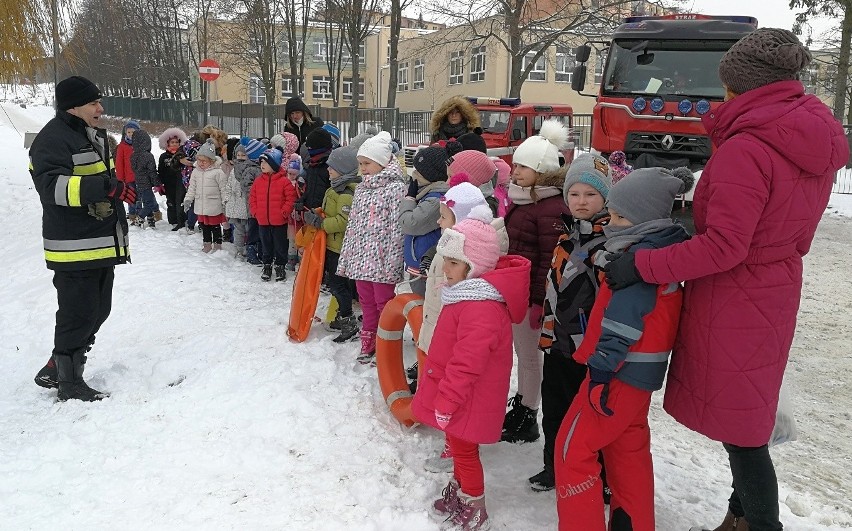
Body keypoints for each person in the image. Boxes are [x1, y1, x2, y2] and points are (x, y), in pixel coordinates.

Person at [601, 28, 849, 531]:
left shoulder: (748, 147)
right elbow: (770, 220)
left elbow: (725, 246)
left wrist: (641, 264)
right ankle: (738, 519)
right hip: (773, 285)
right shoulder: (803, 136)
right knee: (746, 414)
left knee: (744, 433)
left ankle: (760, 525)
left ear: (742, 86)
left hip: (737, 294)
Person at [555, 166, 693, 531]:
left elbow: (623, 322)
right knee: (626, 452)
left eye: (617, 216)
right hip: (638, 379)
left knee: (572, 452)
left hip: (616, 374)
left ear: (643, 218)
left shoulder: (639, 262)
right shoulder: (658, 250)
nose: (610, 223)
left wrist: (601, 370)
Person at [411, 213, 531, 531]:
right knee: (460, 447)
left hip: (468, 398)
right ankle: (460, 491)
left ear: (473, 266)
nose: (444, 268)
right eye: (444, 260)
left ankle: (474, 504)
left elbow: (467, 364)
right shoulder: (465, 297)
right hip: (460, 395)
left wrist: (447, 401)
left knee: (465, 452)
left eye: (452, 262)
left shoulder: (481, 308)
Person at [30, 76, 133, 401]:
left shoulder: (85, 135)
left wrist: (113, 189)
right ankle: (70, 383)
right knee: (78, 312)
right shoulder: (52, 139)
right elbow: (51, 187)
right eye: (93, 103)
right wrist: (104, 188)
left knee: (98, 309)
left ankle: (55, 368)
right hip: (74, 247)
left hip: (98, 241)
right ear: (73, 106)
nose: (100, 108)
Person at [530, 153, 613, 493]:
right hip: (558, 344)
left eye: (590, 195)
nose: (581, 202)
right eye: (574, 194)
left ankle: (603, 475)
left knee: (593, 415)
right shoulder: (565, 240)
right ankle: (554, 466)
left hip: (591, 350)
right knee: (555, 409)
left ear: (605, 198)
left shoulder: (611, 244)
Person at [416, 182, 510, 473]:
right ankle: (451, 443)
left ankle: (454, 450)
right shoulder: (453, 253)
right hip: (439, 321)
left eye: (444, 216)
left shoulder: (475, 282)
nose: (439, 221)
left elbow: (468, 361)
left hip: (451, 327)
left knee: (454, 398)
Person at [501, 119, 571, 444]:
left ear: (541, 171)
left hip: (532, 298)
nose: (514, 171)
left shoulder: (549, 207)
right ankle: (523, 404)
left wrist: (538, 302)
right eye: (515, 165)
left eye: (523, 167)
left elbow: (549, 260)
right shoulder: (525, 199)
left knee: (529, 357)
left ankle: (527, 414)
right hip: (516, 293)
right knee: (522, 354)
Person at [336, 131, 406, 365]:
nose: (363, 168)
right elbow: (352, 227)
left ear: (383, 162)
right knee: (365, 300)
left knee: (384, 303)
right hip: (361, 257)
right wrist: (347, 257)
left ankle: (387, 342)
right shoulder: (362, 190)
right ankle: (369, 339)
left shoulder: (396, 189)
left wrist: (394, 261)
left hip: (383, 259)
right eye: (360, 164)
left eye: (367, 163)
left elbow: (397, 229)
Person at [303, 146, 361, 342]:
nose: (328, 169)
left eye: (332, 167)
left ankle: (348, 321)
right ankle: (340, 317)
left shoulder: (345, 192)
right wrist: (318, 212)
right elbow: (332, 212)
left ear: (343, 169)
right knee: (337, 284)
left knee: (338, 286)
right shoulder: (334, 188)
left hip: (340, 248)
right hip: (332, 246)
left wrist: (321, 223)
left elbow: (344, 221)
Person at [399, 146, 451, 296]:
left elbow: (408, 223)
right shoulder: (426, 193)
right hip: (420, 265)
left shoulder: (434, 200)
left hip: (425, 267)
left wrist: (409, 199)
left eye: (418, 171)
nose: (414, 174)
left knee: (425, 308)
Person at [249, 148, 297, 281]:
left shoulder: (284, 181)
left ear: (274, 165)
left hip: (279, 221)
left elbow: (290, 198)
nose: (262, 165)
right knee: (266, 245)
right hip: (263, 220)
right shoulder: (258, 181)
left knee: (281, 245)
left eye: (266, 162)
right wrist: (255, 211)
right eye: (261, 162)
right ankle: (267, 265)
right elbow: (252, 198)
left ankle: (280, 266)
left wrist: (284, 211)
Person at [183, 140, 227, 252]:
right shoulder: (196, 172)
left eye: (204, 161)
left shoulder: (218, 172)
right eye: (199, 160)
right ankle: (207, 244)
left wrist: (225, 201)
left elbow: (223, 188)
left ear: (211, 161)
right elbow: (192, 187)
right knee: (204, 226)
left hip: (214, 204)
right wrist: (188, 199)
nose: (201, 163)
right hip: (201, 204)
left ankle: (217, 244)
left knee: (215, 226)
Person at [234, 137, 267, 264]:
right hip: (254, 205)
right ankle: (252, 252)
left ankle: (260, 251)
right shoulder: (251, 169)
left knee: (260, 230)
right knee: (254, 229)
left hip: (260, 205)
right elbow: (247, 187)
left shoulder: (257, 167)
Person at [129, 127, 161, 229]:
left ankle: (151, 219)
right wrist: (157, 183)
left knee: (148, 200)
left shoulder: (133, 155)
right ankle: (139, 219)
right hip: (146, 183)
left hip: (138, 182)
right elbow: (152, 171)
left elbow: (134, 169)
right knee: (149, 204)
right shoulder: (148, 156)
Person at [157, 127, 188, 228]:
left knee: (180, 202)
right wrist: (160, 183)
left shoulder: (183, 155)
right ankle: (172, 220)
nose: (174, 144)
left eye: (176, 142)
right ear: (167, 143)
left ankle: (182, 219)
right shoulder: (164, 156)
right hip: (168, 183)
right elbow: (160, 170)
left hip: (181, 183)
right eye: (172, 142)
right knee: (171, 202)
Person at [225, 142, 251, 258]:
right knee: (238, 230)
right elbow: (229, 186)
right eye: (238, 155)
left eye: (243, 155)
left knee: (248, 229)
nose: (240, 158)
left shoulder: (250, 169)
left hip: (246, 206)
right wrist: (226, 199)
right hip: (235, 205)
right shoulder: (233, 170)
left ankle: (249, 248)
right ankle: (239, 248)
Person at [115, 119, 140, 224]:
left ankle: (140, 214)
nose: (130, 134)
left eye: (133, 132)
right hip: (128, 177)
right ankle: (132, 214)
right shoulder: (122, 146)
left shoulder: (141, 145)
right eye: (128, 132)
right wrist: (120, 178)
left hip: (140, 176)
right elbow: (119, 164)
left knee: (140, 197)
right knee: (131, 196)